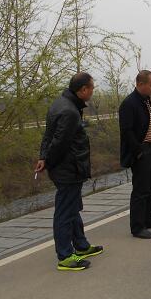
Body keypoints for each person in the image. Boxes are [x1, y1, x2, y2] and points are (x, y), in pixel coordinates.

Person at [36, 73, 103, 271]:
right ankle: (65, 255)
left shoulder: (60, 103)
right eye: (91, 88)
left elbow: (48, 135)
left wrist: (43, 157)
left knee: (72, 208)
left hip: (67, 168)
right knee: (65, 212)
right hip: (68, 169)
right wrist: (49, 162)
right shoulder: (70, 112)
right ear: (83, 89)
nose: (92, 91)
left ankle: (81, 245)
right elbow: (59, 144)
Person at [119, 70, 151, 239]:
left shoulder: (146, 101)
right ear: (140, 84)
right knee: (141, 189)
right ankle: (137, 226)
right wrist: (138, 151)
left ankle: (149, 218)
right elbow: (127, 131)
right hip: (142, 150)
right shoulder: (130, 103)